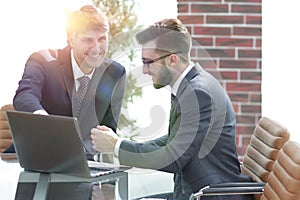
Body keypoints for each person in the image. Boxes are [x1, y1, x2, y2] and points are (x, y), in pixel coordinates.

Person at [91, 18, 254, 200]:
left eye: (148, 62)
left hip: (209, 196)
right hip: (194, 192)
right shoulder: (190, 86)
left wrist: (117, 146)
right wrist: (120, 145)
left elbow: (173, 158)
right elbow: (171, 141)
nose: (144, 70)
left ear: (172, 60)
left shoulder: (198, 94)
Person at [5, 5, 126, 158]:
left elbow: (108, 129)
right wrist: (42, 119)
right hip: (29, 158)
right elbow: (24, 96)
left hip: (80, 164)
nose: (96, 48)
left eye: (102, 39)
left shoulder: (115, 73)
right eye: (88, 40)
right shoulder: (43, 60)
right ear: (71, 40)